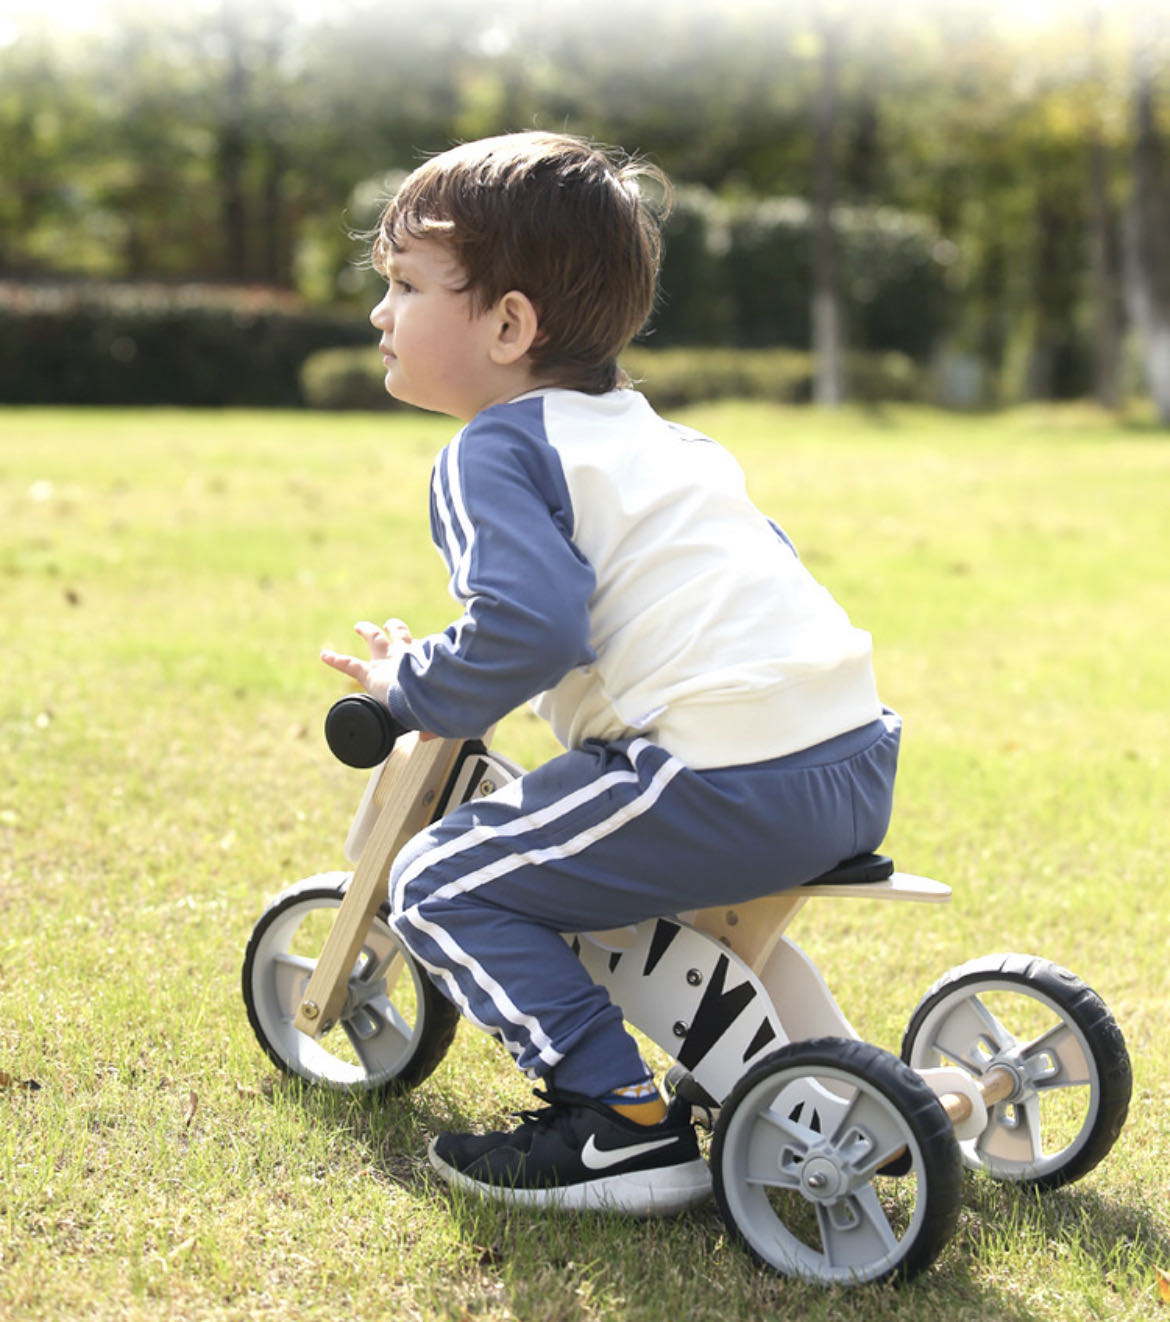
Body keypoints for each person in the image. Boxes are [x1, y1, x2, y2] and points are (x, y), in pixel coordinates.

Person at [320, 131, 901, 1216]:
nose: (378, 313)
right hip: (848, 756)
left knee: (442, 880)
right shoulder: (660, 439)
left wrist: (406, 689)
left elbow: (529, 626)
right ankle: (853, 1081)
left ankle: (621, 1124)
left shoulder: (490, 449)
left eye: (402, 284)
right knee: (587, 853)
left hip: (717, 778)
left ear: (508, 323)